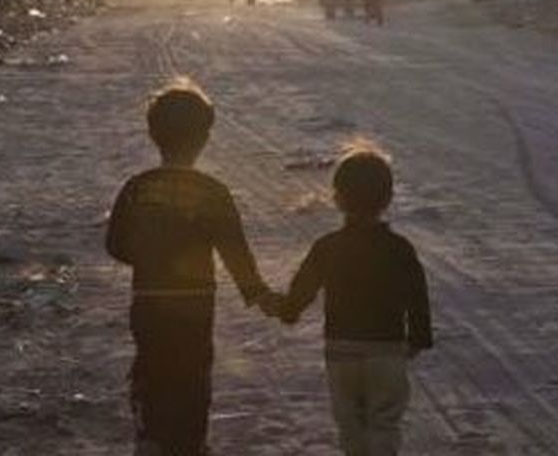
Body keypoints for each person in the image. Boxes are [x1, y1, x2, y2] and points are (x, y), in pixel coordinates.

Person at [106, 78, 278, 455]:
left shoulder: (137, 188)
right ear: (204, 137)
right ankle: (191, 442)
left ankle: (151, 437)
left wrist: (149, 256)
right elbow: (235, 250)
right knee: (193, 373)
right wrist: (258, 294)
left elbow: (115, 244)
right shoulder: (213, 191)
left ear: (153, 134)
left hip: (148, 299)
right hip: (196, 303)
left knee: (152, 365)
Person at [266, 146, 432, 456]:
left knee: (350, 424)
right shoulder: (399, 249)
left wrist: (286, 310)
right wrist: (419, 337)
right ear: (388, 199)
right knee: (383, 421)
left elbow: (302, 291)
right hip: (387, 347)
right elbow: (416, 295)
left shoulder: (327, 247)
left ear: (337, 198)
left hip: (341, 348)